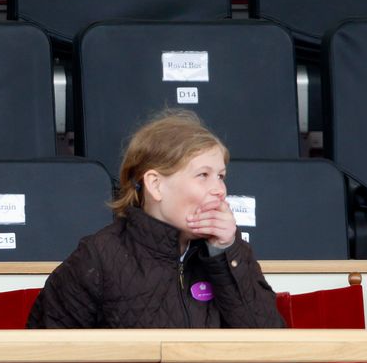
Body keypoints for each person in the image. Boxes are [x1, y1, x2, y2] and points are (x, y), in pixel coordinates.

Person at [28, 109, 285, 328]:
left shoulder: (233, 253)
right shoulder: (98, 256)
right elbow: (45, 358)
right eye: (203, 175)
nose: (220, 189)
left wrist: (225, 254)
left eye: (221, 176)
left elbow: (275, 348)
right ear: (155, 185)